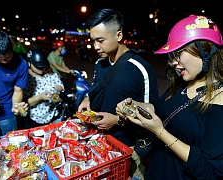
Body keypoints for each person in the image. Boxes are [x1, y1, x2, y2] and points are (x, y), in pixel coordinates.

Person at [116, 14, 223, 179]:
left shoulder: (219, 101)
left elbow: (209, 170)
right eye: (172, 56)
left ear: (205, 50)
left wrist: (159, 131)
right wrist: (134, 106)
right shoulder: (182, 84)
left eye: (178, 54)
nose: (173, 62)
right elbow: (159, 110)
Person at [78, 8, 159, 179]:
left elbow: (151, 112)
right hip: (98, 140)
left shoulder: (140, 69)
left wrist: (117, 120)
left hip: (127, 147)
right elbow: (96, 90)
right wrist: (87, 99)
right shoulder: (100, 63)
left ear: (119, 35)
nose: (95, 46)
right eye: (93, 41)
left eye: (100, 40)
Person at [24, 49, 64, 128]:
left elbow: (61, 86)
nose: (42, 69)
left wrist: (54, 90)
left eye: (43, 66)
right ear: (29, 63)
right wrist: (40, 97)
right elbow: (25, 103)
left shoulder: (49, 72)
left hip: (53, 114)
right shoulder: (26, 79)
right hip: (36, 119)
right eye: (38, 67)